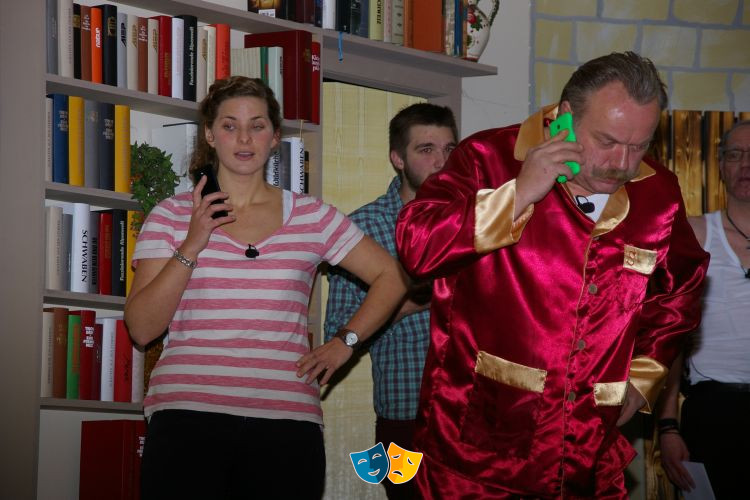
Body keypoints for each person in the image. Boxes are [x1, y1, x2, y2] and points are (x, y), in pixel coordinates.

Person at [395, 51, 710, 498]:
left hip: (591, 454)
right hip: (478, 452)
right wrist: (519, 193)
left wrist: (644, 378)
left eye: (639, 146)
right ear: (564, 118)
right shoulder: (487, 158)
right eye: (607, 141)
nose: (621, 162)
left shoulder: (658, 191)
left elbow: (685, 286)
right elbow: (417, 248)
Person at [124, 76, 408, 499]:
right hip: (187, 416)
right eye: (230, 125)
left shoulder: (312, 216)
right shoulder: (170, 215)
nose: (244, 138)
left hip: (286, 424)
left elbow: (394, 277)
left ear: (275, 137)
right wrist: (193, 243)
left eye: (257, 125)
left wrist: (345, 342)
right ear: (209, 134)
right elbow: (142, 328)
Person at [323, 102, 458, 500]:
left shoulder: (476, 221)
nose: (441, 162)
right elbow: (338, 335)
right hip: (406, 416)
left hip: (472, 414)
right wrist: (420, 299)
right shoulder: (364, 227)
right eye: (426, 149)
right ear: (398, 158)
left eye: (449, 149)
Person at [657, 120, 750, 499]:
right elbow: (670, 337)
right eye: (735, 154)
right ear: (721, 165)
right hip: (713, 411)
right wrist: (668, 427)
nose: (746, 164)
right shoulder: (695, 234)